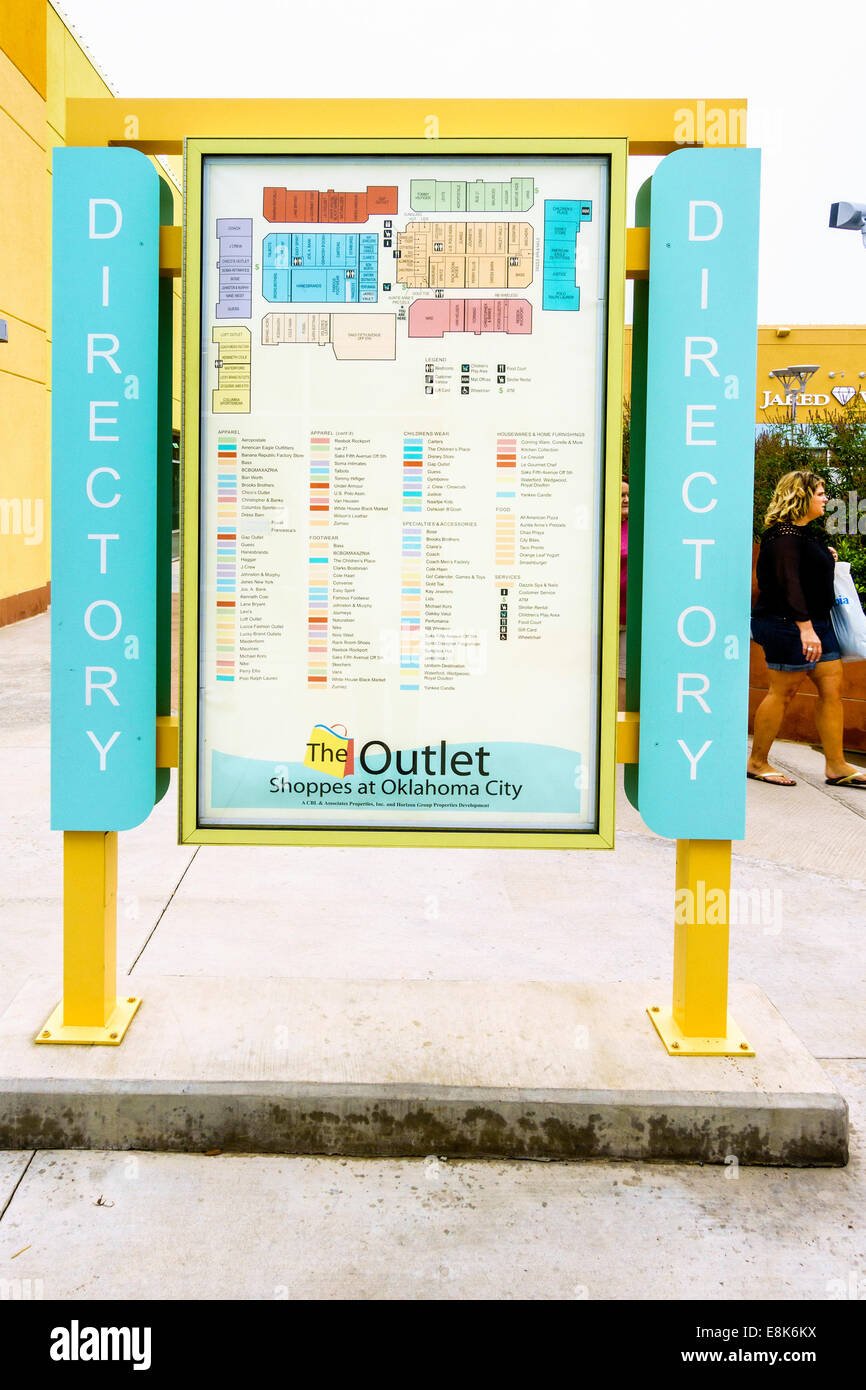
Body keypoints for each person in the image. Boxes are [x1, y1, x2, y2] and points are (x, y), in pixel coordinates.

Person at [748, 469, 866, 788]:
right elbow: (789, 583)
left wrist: (826, 557)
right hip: (788, 625)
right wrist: (805, 628)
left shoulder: (805, 534)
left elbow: (805, 568)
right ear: (801, 497)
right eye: (820, 493)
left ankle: (836, 765)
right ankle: (757, 762)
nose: (826, 498)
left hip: (817, 623)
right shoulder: (784, 537)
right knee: (783, 692)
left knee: (832, 689)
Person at [618, 478, 628, 710]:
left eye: (629, 495)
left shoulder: (636, 527)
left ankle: (617, 722)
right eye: (621, 495)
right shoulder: (599, 525)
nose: (626, 499)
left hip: (627, 618)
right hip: (601, 617)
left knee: (622, 674)